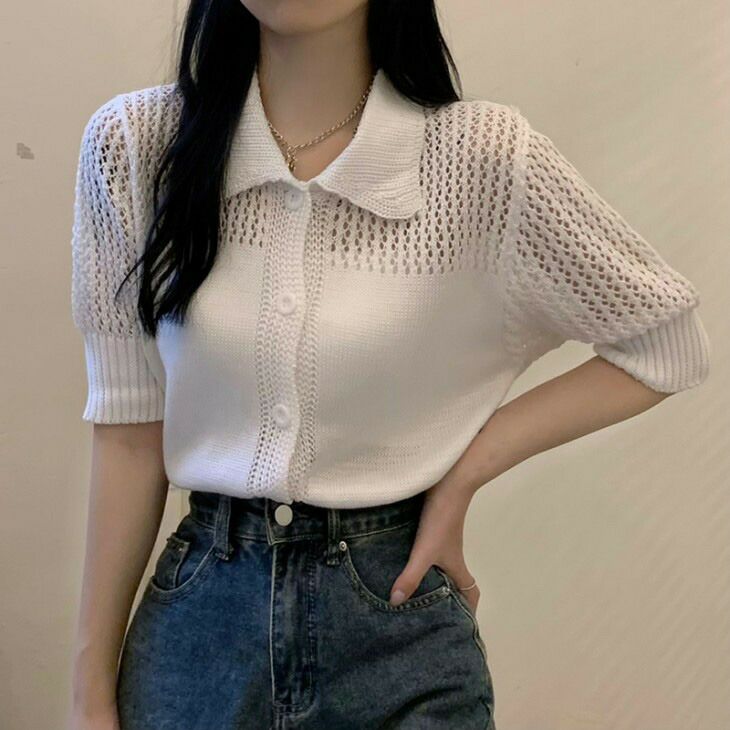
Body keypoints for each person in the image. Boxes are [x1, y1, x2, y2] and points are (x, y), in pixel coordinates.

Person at [67, 1, 711, 729]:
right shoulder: (136, 146)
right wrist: (88, 695)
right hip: (199, 640)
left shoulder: (481, 159)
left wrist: (465, 471)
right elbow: (129, 430)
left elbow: (665, 342)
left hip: (398, 625)